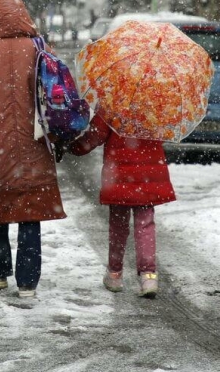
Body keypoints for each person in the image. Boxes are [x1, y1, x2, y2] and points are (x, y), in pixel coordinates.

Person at [0, 0, 66, 298]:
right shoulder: (38, 48)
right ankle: (28, 281)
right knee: (30, 208)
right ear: (23, 14)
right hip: (35, 141)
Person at [69, 111, 175, 298]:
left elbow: (95, 136)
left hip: (118, 173)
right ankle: (148, 276)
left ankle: (115, 274)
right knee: (145, 224)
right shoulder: (156, 102)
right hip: (148, 172)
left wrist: (74, 147)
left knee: (118, 226)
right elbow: (166, 133)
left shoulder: (112, 101)